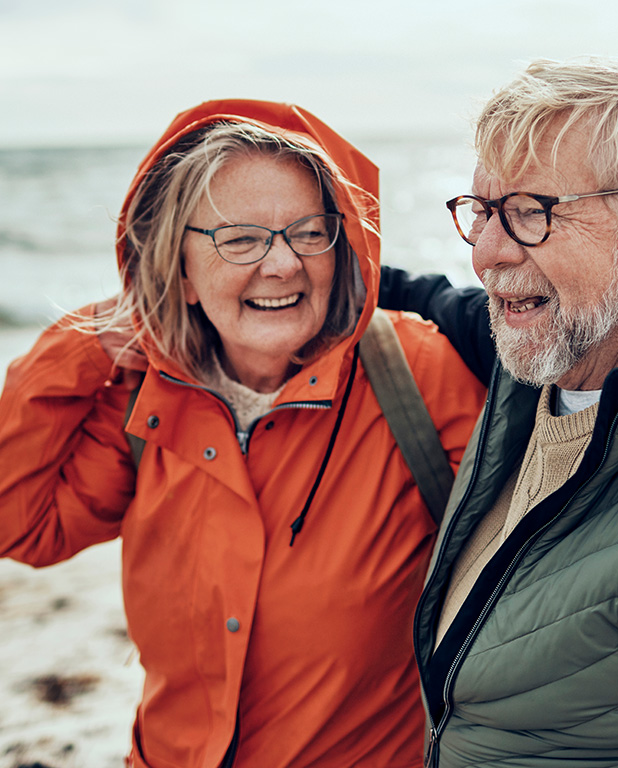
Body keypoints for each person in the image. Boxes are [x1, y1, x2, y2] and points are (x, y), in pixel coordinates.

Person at [0, 100, 486, 768]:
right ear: (180, 269)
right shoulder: (146, 403)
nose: (283, 264)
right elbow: (20, 524)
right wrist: (88, 345)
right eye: (240, 239)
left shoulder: (414, 374)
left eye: (308, 233)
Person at [382, 59, 618, 767]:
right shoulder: (540, 358)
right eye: (483, 212)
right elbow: (433, 299)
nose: (491, 254)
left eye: (533, 213)